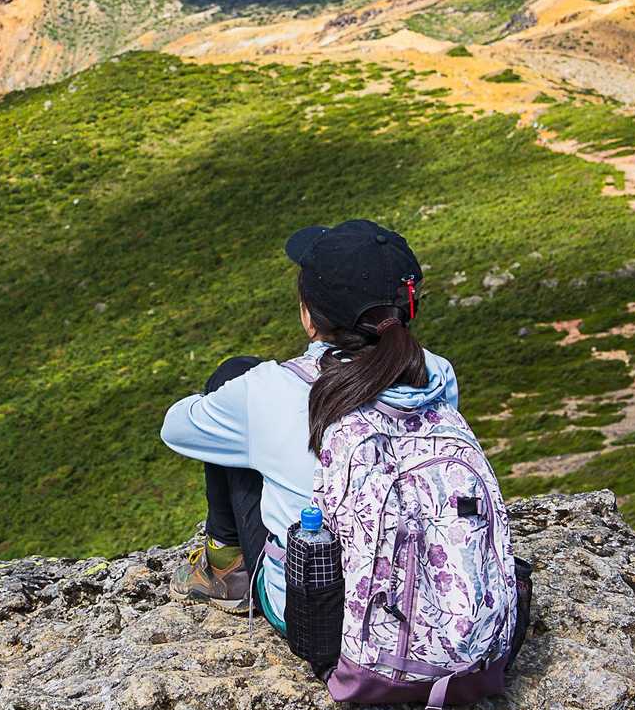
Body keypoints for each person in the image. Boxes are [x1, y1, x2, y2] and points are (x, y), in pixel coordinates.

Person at [159, 219, 459, 634]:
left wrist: (246, 410)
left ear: (309, 316)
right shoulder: (437, 373)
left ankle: (227, 566)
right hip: (435, 608)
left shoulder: (268, 390)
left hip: (319, 618)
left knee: (233, 373)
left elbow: (176, 428)